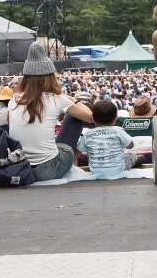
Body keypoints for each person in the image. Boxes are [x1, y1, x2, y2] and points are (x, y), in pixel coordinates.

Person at [8, 43, 94, 181]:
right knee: (74, 119)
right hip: (48, 169)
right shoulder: (57, 99)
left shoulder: (14, 99)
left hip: (21, 167)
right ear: (50, 76)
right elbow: (90, 117)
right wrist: (72, 99)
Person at [77, 100, 138, 180]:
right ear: (115, 119)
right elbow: (131, 145)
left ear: (93, 119)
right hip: (118, 170)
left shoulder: (87, 134)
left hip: (96, 170)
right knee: (132, 155)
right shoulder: (118, 131)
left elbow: (78, 151)